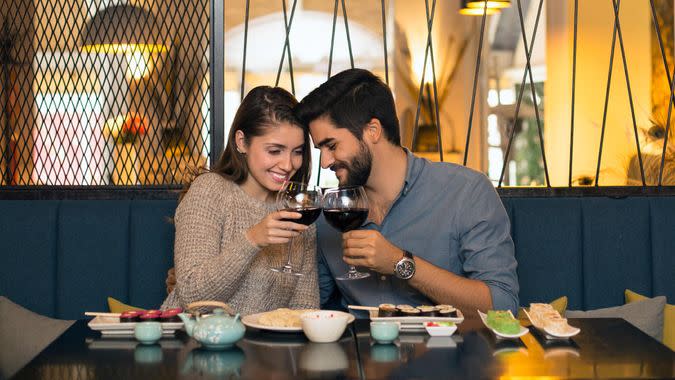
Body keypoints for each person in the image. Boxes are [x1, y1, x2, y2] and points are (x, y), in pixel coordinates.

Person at [294, 68, 519, 316]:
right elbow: (310, 307)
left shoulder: (466, 192)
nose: (324, 162)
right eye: (320, 150)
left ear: (372, 131)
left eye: (332, 146)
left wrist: (399, 262)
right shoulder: (331, 214)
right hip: (356, 351)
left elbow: (502, 305)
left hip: (446, 350)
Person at [161, 86, 319, 315]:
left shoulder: (299, 210)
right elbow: (193, 300)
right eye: (275, 151)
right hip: (196, 342)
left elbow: (305, 309)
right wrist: (253, 239)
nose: (288, 164)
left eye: (298, 151)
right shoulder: (210, 192)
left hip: (267, 349)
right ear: (242, 142)